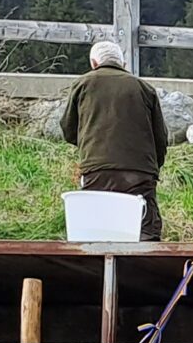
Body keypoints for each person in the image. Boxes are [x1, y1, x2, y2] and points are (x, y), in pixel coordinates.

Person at [59, 39, 170, 241]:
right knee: (145, 231)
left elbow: (68, 129)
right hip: (139, 171)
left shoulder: (83, 84)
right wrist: (153, 167)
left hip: (97, 169)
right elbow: (160, 137)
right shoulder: (144, 88)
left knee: (95, 229)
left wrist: (91, 149)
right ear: (123, 64)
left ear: (94, 63)